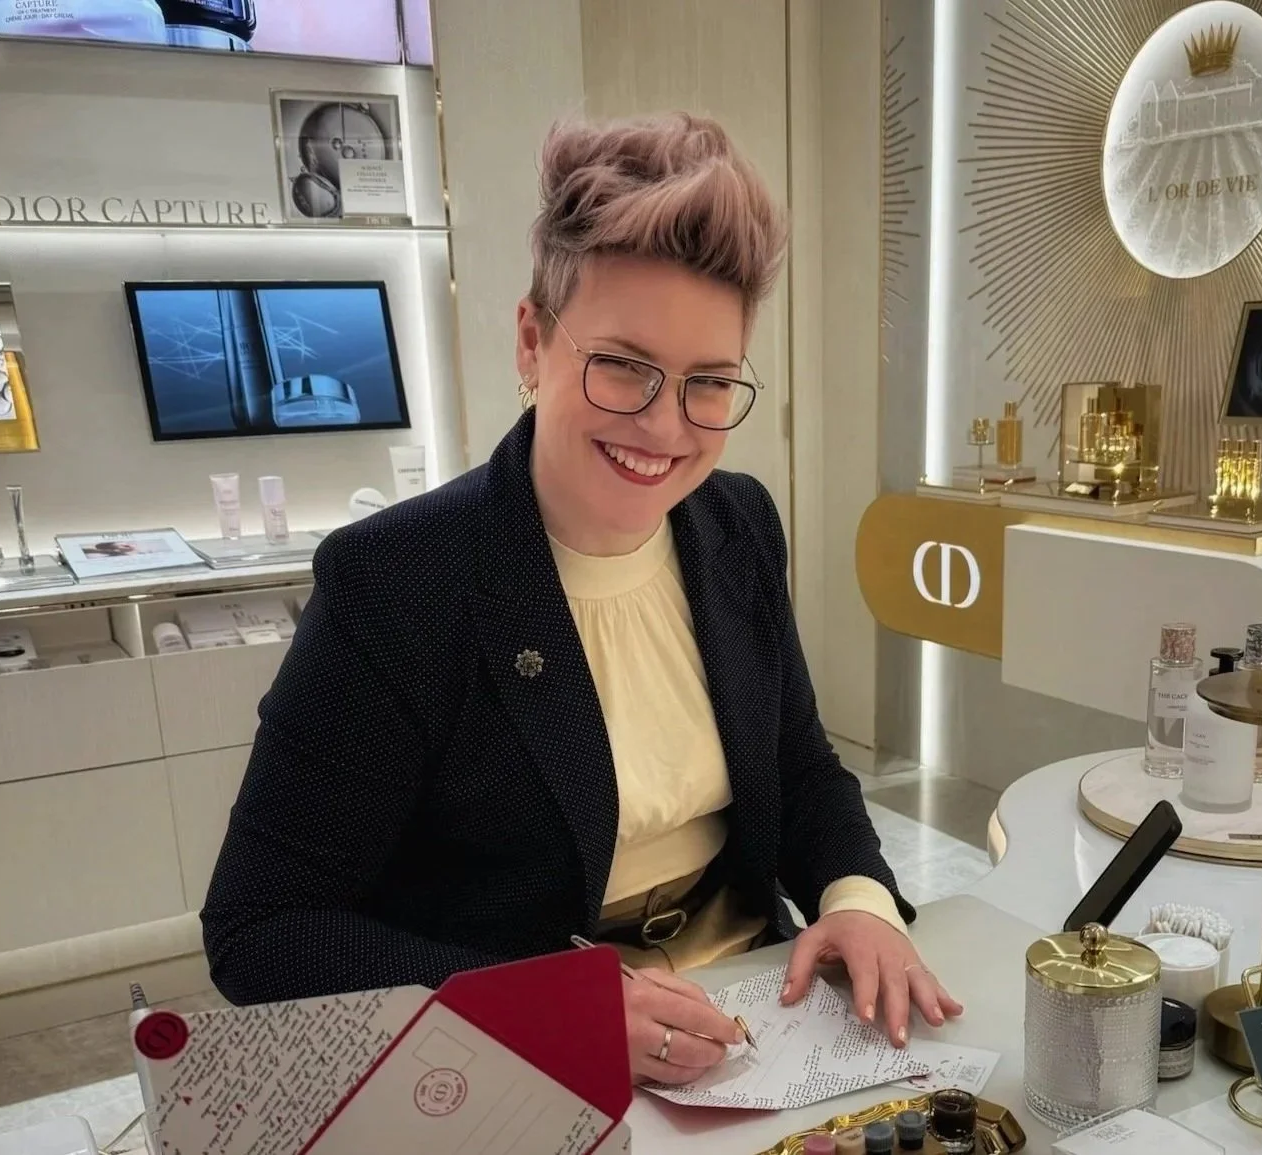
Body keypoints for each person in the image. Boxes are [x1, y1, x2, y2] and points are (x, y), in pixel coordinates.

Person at [201, 111, 961, 1086]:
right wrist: (549, 1008)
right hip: (522, 1059)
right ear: (532, 342)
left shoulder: (736, 525)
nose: (665, 426)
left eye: (708, 382)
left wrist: (858, 899)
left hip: (754, 1013)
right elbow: (263, 928)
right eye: (622, 366)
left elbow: (797, 765)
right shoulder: (397, 582)